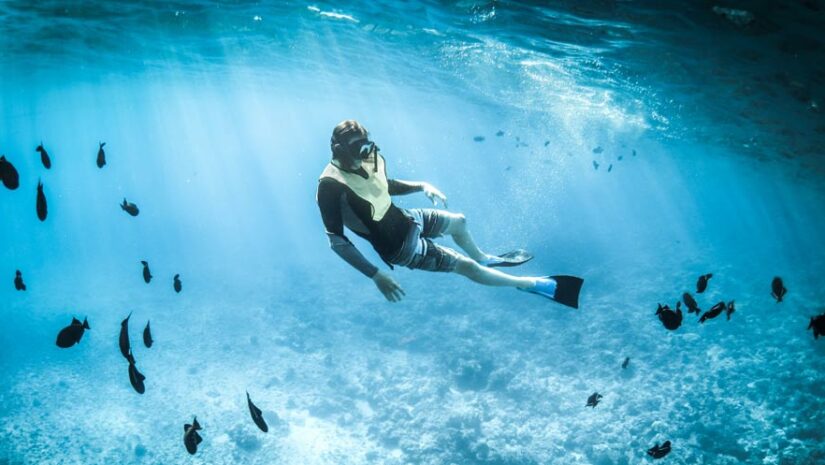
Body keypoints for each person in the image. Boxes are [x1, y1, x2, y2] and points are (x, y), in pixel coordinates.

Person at [316, 120, 582, 307]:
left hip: (407, 218)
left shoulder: (366, 158)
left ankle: (485, 259)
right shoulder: (329, 186)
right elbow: (336, 242)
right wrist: (375, 275)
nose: (364, 155)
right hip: (399, 247)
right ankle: (528, 284)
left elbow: (383, 185)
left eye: (366, 147)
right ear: (338, 149)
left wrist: (422, 185)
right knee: (466, 267)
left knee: (459, 221)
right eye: (356, 149)